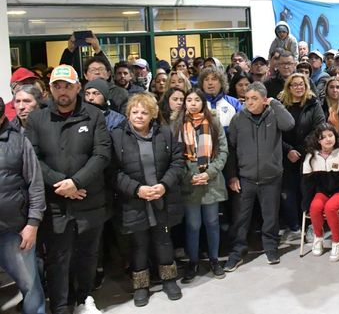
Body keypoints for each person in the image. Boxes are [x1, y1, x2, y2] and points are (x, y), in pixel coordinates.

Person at [25, 65, 111, 314]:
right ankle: (61, 306)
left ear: (77, 87)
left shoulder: (94, 115)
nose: (62, 91)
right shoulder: (37, 118)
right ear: (50, 89)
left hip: (89, 199)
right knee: (58, 259)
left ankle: (85, 299)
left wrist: (77, 183)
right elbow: (33, 158)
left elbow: (102, 154)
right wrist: (62, 184)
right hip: (55, 203)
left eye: (67, 85)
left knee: (87, 255)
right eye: (56, 86)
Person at [110, 93, 184, 306]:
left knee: (163, 240)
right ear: (128, 114)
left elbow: (177, 162)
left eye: (144, 112)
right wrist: (137, 189)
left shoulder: (166, 133)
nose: (139, 116)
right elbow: (113, 172)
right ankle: (141, 285)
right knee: (138, 244)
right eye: (135, 112)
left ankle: (169, 279)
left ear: (152, 114)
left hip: (162, 197)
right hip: (134, 200)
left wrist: (164, 185)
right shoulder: (117, 136)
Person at [225, 82, 295, 270]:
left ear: (264, 100)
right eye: (247, 99)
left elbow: (289, 124)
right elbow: (231, 149)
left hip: (271, 177)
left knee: (270, 217)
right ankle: (238, 252)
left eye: (254, 99)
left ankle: (271, 247)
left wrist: (275, 104)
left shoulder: (274, 114)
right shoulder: (238, 119)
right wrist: (232, 176)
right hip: (245, 178)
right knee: (241, 218)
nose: (249, 102)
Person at [174, 88, 229, 283]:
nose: (193, 103)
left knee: (212, 222)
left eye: (197, 100)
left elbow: (223, 150)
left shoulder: (213, 122)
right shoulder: (177, 124)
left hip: (211, 181)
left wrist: (209, 172)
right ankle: (193, 261)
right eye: (189, 100)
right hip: (189, 181)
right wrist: (191, 175)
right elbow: (175, 155)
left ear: (203, 103)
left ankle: (214, 260)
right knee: (193, 224)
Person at [0, 97, 46, 314]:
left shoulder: (19, 142)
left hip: (15, 228)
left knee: (29, 284)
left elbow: (35, 184)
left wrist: (32, 224)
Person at [301, 124, 339, 261]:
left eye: (330, 135)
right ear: (318, 140)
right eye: (324, 137)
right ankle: (318, 237)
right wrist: (306, 203)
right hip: (322, 192)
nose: (328, 139)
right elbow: (307, 183)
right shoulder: (311, 157)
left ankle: (337, 241)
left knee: (330, 208)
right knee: (315, 207)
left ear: (335, 137)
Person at [279, 73, 324, 239]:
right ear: (289, 88)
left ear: (306, 87)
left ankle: (311, 225)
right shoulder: (281, 105)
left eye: (301, 84)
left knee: (308, 190)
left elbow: (319, 128)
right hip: (286, 155)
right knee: (288, 192)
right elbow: (276, 132)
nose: (298, 87)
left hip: (308, 154)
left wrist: (301, 149)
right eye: (294, 84)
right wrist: (288, 150)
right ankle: (295, 227)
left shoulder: (313, 104)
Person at [198, 66, 241, 130]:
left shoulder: (234, 103)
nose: (210, 83)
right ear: (202, 84)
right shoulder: (197, 103)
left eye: (214, 79)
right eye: (206, 79)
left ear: (221, 83)